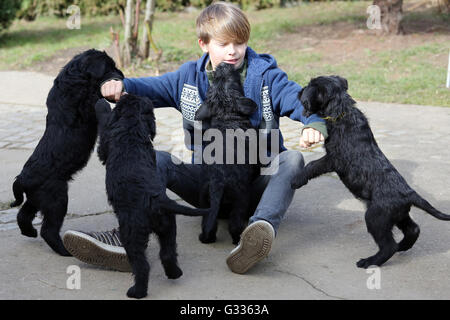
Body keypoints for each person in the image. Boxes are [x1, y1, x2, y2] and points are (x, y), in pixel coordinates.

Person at [63, 1, 326, 274]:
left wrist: (314, 123)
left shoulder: (266, 75)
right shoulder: (188, 78)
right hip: (207, 184)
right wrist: (121, 84)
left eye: (240, 42)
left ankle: (258, 232)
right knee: (155, 160)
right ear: (204, 43)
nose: (233, 51)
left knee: (293, 159)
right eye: (224, 43)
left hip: (255, 187)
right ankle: (125, 238)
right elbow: (148, 86)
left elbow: (297, 98)